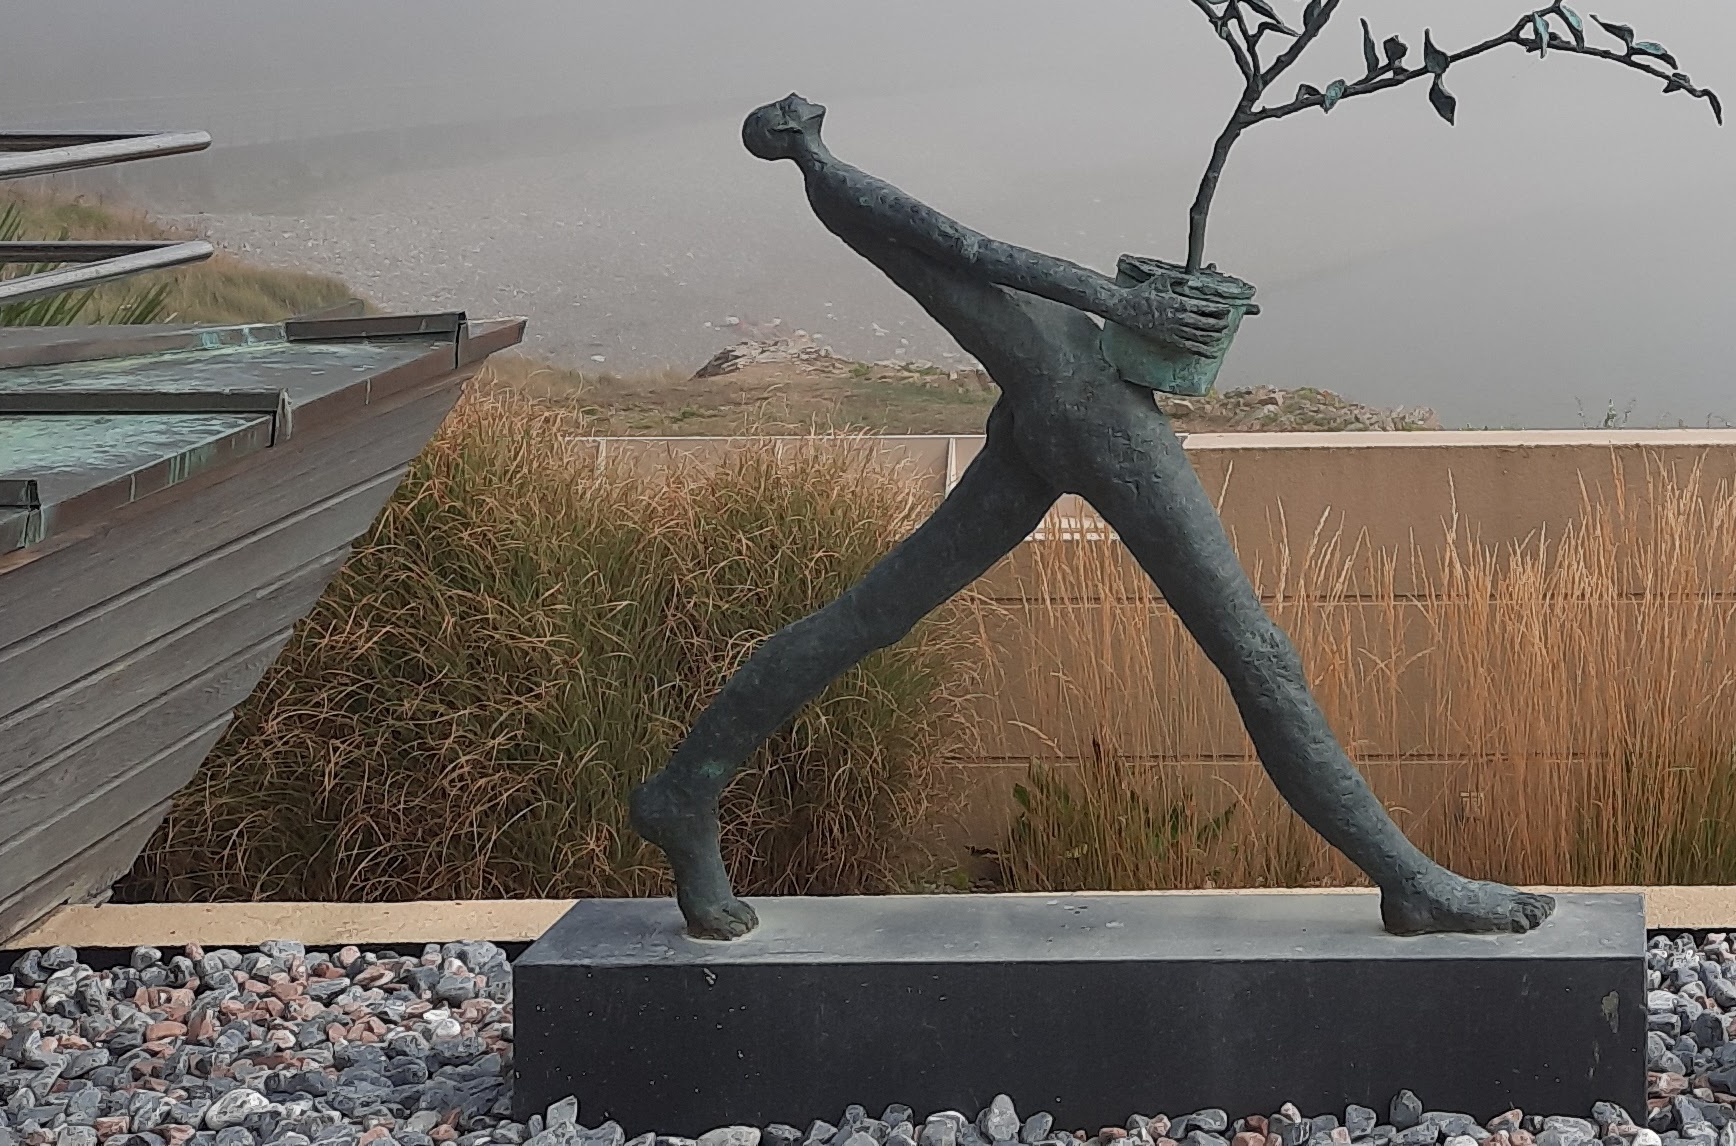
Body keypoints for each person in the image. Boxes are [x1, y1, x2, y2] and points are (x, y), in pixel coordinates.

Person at [629, 94, 1554, 940]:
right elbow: (971, 248)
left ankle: (682, 790)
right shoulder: (840, 188)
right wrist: (1122, 301)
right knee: (1258, 655)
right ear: (786, 135)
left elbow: (984, 265)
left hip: (1053, 409)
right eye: (789, 116)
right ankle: (1409, 882)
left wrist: (1134, 300)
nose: (802, 107)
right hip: (1089, 418)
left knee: (869, 616)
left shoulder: (843, 189)